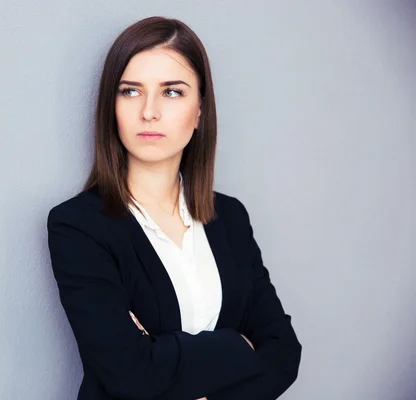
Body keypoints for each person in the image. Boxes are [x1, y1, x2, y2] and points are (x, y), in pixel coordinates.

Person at [46, 16, 301, 400]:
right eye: (130, 91)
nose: (149, 111)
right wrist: (238, 346)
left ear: (200, 111)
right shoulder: (78, 226)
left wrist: (163, 356)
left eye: (172, 92)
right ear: (110, 107)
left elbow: (283, 351)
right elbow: (131, 375)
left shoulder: (230, 217)